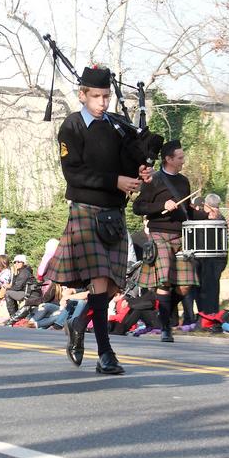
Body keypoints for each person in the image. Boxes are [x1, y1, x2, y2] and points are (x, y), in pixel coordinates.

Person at [44, 66, 152, 375]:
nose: (103, 103)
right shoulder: (72, 127)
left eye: (106, 96)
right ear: (83, 95)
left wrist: (139, 173)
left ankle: (78, 321)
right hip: (86, 211)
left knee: (114, 287)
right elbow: (73, 174)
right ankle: (105, 353)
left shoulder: (117, 126)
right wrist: (115, 181)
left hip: (114, 215)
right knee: (101, 283)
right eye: (96, 96)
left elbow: (130, 162)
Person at [132, 140, 202, 343]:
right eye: (180, 157)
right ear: (168, 159)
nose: (183, 160)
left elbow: (187, 210)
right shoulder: (153, 180)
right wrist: (162, 204)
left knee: (186, 285)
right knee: (164, 282)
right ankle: (165, 328)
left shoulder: (184, 181)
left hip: (180, 236)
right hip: (159, 234)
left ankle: (164, 311)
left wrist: (201, 214)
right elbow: (138, 207)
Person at [196, 193, 229, 316]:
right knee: (204, 288)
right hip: (206, 259)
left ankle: (209, 315)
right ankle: (205, 314)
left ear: (208, 205)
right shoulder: (216, 217)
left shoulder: (218, 218)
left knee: (210, 288)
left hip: (214, 259)